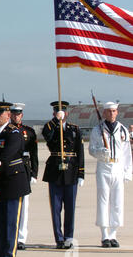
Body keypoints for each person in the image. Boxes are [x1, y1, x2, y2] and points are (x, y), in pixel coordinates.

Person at [0, 101, 30, 257]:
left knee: (11, 221)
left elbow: (6, 156)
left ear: (7, 115)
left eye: (0, 114)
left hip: (13, 182)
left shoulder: (14, 133)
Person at [42, 101, 85, 249]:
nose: (61, 114)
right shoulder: (51, 127)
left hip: (71, 171)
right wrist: (55, 121)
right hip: (55, 171)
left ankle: (68, 237)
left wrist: (81, 173)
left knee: (70, 207)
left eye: (63, 111)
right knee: (55, 207)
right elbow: (45, 134)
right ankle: (59, 239)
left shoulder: (74, 129)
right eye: (57, 112)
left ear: (67, 113)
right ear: (54, 113)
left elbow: (80, 152)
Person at [88, 102, 132, 247]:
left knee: (117, 202)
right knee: (103, 201)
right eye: (109, 111)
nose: (112, 114)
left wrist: (128, 171)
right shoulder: (97, 129)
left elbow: (127, 153)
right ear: (104, 113)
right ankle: (104, 235)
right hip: (104, 167)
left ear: (117, 112)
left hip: (118, 167)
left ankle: (113, 234)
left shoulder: (123, 130)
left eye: (114, 111)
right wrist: (100, 152)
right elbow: (91, 149)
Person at [10, 103, 39, 250]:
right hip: (10, 171)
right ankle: (11, 236)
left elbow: (34, 155)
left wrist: (34, 173)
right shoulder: (5, 131)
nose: (16, 116)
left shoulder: (29, 132)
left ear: (22, 115)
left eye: (18, 114)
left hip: (25, 170)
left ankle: (21, 238)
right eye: (13, 114)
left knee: (24, 207)